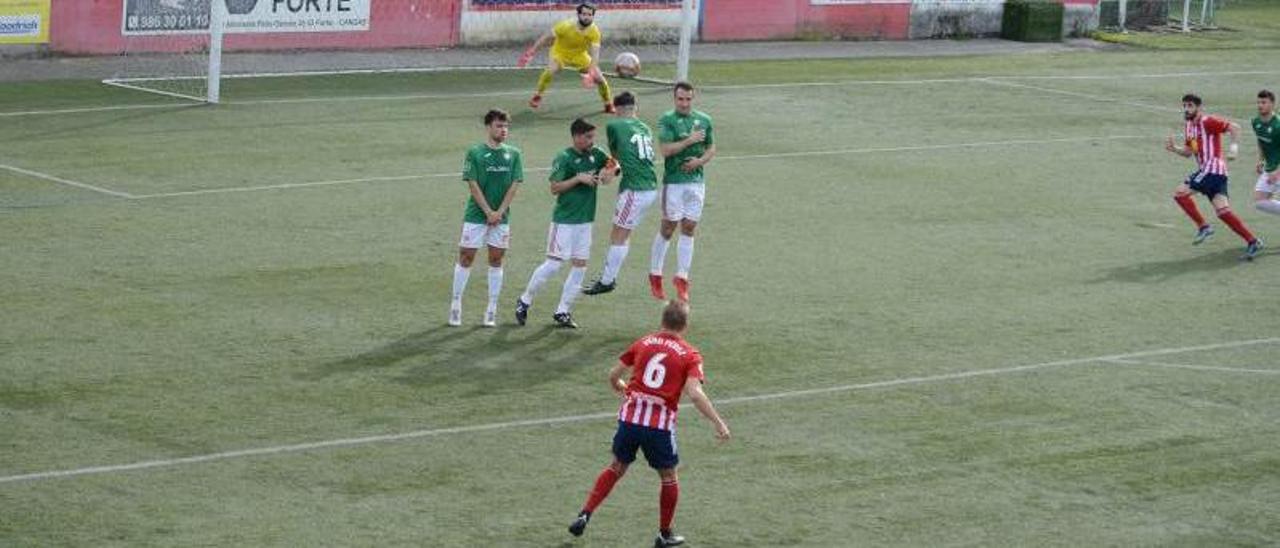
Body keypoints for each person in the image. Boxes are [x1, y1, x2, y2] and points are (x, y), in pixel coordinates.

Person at [567, 299, 731, 547]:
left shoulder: (643, 342)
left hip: (630, 420)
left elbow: (613, 375)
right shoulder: (690, 354)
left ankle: (585, 513)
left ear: (662, 321)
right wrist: (718, 422)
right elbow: (695, 394)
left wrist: (623, 389)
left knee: (616, 467)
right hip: (659, 426)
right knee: (668, 477)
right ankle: (664, 534)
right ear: (685, 325)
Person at [514, 118, 615, 329]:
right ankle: (524, 300)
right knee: (553, 265)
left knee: (580, 266)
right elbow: (554, 188)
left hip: (585, 221)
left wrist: (609, 173)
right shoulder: (564, 157)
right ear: (576, 136)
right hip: (564, 221)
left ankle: (563, 311)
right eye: (588, 137)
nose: (591, 141)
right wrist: (578, 179)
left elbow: (613, 164)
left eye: (593, 137)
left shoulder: (596, 153)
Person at [1165, 93, 1263, 260]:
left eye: (1190, 106)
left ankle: (1203, 227)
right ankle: (1253, 241)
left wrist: (1234, 148)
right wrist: (1175, 149)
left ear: (1198, 108)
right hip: (1211, 172)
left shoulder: (1207, 121)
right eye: (1185, 106)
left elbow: (1235, 127)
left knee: (1180, 193)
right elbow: (1190, 152)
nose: (1186, 109)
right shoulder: (1189, 126)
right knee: (1223, 211)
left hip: (1213, 170)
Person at [450, 109, 523, 327]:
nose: (504, 130)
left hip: (502, 217)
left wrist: (499, 212)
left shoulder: (514, 154)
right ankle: (456, 303)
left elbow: (514, 185)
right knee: (466, 257)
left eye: (506, 126)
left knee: (496, 259)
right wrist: (488, 212)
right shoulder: (475, 153)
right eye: (499, 126)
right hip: (476, 215)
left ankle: (491, 308)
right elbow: (473, 184)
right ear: (489, 127)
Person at [583, 91, 660, 296]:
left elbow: (616, 155)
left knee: (618, 234)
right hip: (650, 187)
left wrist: (608, 171)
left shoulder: (614, 126)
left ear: (616, 109)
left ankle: (607, 280)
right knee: (623, 234)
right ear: (635, 107)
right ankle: (609, 277)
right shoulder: (645, 127)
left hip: (635, 190)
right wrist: (615, 169)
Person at [651, 81, 716, 301]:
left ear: (693, 98)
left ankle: (682, 278)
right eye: (680, 99)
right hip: (674, 182)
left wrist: (699, 162)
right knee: (668, 227)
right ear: (674, 98)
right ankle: (656, 274)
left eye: (688, 99)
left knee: (689, 227)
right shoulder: (667, 120)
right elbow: (666, 150)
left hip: (696, 182)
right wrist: (689, 141)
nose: (684, 103)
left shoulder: (704, 120)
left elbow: (711, 148)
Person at [521, 2, 615, 114]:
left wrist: (591, 73)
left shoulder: (594, 31)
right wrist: (531, 52)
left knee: (601, 80)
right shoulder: (565, 25)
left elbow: (595, 54)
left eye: (590, 15)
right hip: (560, 53)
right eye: (584, 14)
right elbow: (546, 37)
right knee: (550, 71)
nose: (587, 17)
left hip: (580, 56)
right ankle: (538, 95)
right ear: (578, 15)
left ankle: (608, 104)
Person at [1251, 89, 1280, 220]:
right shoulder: (1256, 122)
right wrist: (1260, 160)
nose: (1260, 105)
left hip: (1278, 169)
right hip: (1270, 168)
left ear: (1273, 104)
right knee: (1260, 202)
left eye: (1264, 102)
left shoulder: (1278, 125)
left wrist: (1278, 172)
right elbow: (1261, 140)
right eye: (1258, 102)